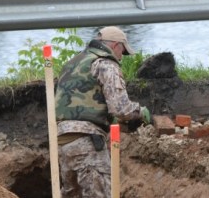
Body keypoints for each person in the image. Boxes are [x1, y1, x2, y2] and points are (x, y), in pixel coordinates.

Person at [55, 26, 151, 198]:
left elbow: (84, 103)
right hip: (86, 140)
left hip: (62, 141)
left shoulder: (72, 63)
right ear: (115, 46)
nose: (122, 57)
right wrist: (140, 112)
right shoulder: (106, 64)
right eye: (122, 51)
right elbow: (120, 108)